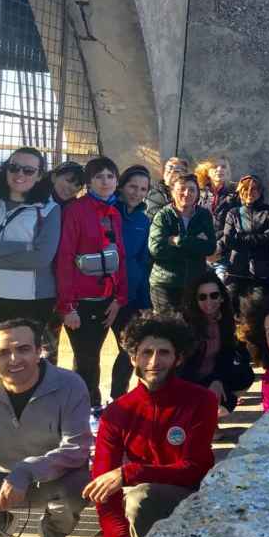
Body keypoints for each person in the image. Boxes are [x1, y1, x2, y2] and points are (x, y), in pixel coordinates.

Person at [65, 312, 216, 537]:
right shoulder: (117, 412)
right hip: (134, 512)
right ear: (133, 357)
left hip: (186, 503)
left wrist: (129, 473)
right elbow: (103, 487)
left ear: (178, 358)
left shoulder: (201, 401)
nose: (154, 362)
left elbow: (195, 469)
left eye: (164, 353)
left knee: (139, 497)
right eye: (146, 352)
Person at [0, 318, 90, 537]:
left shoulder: (70, 385)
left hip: (51, 478)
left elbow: (77, 448)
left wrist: (26, 470)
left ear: (39, 351)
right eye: (3, 353)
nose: (14, 359)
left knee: (80, 486)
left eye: (23, 349)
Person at [0, 147, 60, 377]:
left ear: (39, 175)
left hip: (31, 299)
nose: (20, 174)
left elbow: (41, 258)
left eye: (29, 170)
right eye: (14, 167)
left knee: (29, 365)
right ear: (6, 169)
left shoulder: (49, 209)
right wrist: (23, 247)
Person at [55, 157, 128, 408]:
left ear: (116, 181)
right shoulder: (76, 210)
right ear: (89, 182)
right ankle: (89, 407)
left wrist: (119, 299)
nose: (105, 181)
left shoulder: (114, 213)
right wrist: (68, 306)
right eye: (99, 176)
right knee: (86, 359)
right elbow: (65, 258)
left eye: (110, 176)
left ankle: (90, 405)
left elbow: (120, 258)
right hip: (80, 302)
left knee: (96, 356)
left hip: (107, 300)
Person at [178, 272, 254, 415]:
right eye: (202, 297)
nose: (209, 301)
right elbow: (183, 368)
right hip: (187, 380)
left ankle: (212, 413)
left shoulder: (225, 320)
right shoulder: (186, 324)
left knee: (245, 375)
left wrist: (217, 380)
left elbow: (226, 355)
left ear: (221, 298)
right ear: (195, 300)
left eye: (214, 295)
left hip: (211, 375)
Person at [109, 166, 153, 400]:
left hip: (131, 295)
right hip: (102, 293)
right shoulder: (106, 211)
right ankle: (89, 403)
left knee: (129, 349)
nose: (137, 193)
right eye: (132, 186)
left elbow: (144, 263)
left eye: (143, 189)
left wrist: (145, 302)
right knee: (88, 354)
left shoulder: (143, 220)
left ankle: (118, 399)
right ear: (122, 186)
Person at [147, 174, 215, 312]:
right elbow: (156, 249)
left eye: (191, 190)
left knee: (192, 327)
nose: (186, 193)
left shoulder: (203, 215)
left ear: (197, 193)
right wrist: (195, 244)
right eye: (182, 189)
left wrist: (177, 240)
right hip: (166, 283)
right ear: (172, 192)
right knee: (168, 327)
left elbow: (210, 247)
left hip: (195, 282)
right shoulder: (163, 216)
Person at [40, 160, 85, 365]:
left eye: (77, 185)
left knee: (51, 345)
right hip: (37, 280)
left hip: (63, 281)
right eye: (68, 180)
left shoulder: (75, 207)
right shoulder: (36, 200)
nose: (71, 188)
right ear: (54, 176)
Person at [219, 174, 269, 306]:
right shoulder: (233, 212)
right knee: (231, 308)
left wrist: (241, 238)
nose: (249, 192)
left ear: (260, 191)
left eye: (254, 189)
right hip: (236, 269)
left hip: (261, 271)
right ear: (240, 191)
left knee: (258, 309)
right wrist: (258, 239)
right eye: (245, 188)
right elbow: (228, 240)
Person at [195, 155, 239, 238]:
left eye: (224, 167)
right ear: (207, 171)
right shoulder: (198, 193)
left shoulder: (235, 195)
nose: (219, 169)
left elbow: (235, 226)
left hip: (223, 245)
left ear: (228, 172)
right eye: (215, 166)